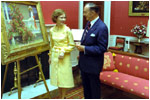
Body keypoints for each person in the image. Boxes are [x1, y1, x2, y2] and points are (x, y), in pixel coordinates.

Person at [76, 3, 108, 99]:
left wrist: (84, 48)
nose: (83, 14)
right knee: (86, 89)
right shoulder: (88, 24)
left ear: (93, 12)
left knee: (94, 90)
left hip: (93, 65)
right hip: (84, 64)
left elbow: (102, 48)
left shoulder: (102, 27)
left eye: (85, 12)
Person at [48, 9, 75, 99]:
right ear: (56, 18)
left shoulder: (67, 30)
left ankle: (63, 97)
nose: (64, 19)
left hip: (64, 57)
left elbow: (72, 45)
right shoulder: (51, 30)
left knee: (64, 79)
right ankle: (61, 96)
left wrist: (63, 51)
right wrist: (50, 56)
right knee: (58, 78)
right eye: (61, 17)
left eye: (64, 17)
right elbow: (51, 44)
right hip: (55, 56)